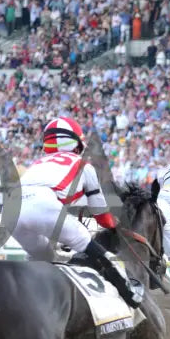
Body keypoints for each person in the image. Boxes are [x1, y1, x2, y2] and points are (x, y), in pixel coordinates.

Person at [13, 117, 143, 308]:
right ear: (76, 143)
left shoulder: (38, 164)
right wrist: (116, 225)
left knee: (43, 258)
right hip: (44, 206)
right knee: (96, 250)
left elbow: (40, 207)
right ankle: (130, 294)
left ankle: (22, 297)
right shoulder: (84, 165)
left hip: (11, 210)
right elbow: (103, 217)